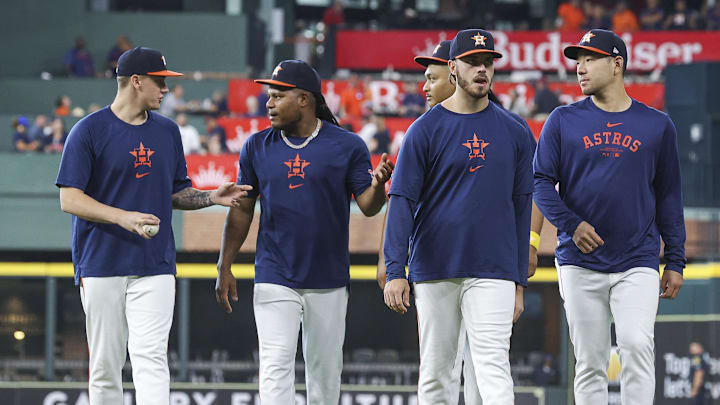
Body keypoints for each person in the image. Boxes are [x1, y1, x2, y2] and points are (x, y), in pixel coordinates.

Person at [55, 46, 252, 405]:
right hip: (101, 262)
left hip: (155, 264)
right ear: (135, 81)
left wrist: (210, 197)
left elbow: (175, 192)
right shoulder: (88, 131)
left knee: (151, 359)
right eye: (159, 82)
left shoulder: (167, 131)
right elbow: (70, 199)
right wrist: (124, 216)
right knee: (104, 364)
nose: (166, 89)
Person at [214, 59, 393, 404]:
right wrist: (225, 264)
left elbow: (370, 206)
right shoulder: (257, 146)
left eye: (278, 95)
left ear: (304, 100)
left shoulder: (347, 145)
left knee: (325, 377)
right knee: (275, 368)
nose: (269, 103)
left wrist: (379, 183)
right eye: (269, 95)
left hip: (328, 278)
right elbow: (242, 212)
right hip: (274, 274)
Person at [534, 29, 686, 405]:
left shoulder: (657, 125)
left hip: (638, 258)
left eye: (590, 59)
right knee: (589, 361)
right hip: (578, 261)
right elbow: (540, 185)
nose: (580, 68)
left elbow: (668, 196)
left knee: (637, 346)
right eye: (578, 60)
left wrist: (677, 259)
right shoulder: (562, 120)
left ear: (617, 64)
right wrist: (571, 223)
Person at [383, 29, 535, 404]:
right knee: (437, 374)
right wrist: (394, 271)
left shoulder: (516, 131)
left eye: (487, 62)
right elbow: (401, 201)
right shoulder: (424, 130)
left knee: (493, 369)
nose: (481, 70)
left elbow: (523, 208)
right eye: (472, 62)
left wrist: (519, 282)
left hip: (495, 269)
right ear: (452, 68)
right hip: (435, 267)